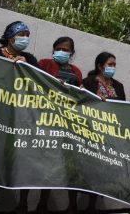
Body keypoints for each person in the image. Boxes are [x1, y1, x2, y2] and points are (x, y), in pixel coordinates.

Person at [0, 21, 37, 214]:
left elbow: (39, 84)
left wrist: (27, 68)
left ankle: (22, 205)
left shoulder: (29, 58)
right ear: (10, 36)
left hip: (21, 118)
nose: (25, 38)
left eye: (28, 35)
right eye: (22, 34)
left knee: (22, 160)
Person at [35, 37, 84, 214]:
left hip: (68, 123)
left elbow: (80, 93)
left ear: (71, 53)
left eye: (66, 49)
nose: (62, 51)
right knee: (45, 163)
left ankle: (72, 206)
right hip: (47, 120)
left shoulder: (76, 71)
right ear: (54, 49)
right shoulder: (44, 63)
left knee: (70, 164)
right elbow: (35, 84)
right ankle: (41, 204)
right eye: (59, 48)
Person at [82, 51, 126, 214]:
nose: (113, 68)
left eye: (114, 65)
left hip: (109, 134)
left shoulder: (118, 86)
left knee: (101, 170)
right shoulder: (88, 82)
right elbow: (81, 102)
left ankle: (92, 206)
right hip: (89, 130)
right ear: (100, 66)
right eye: (110, 64)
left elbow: (123, 108)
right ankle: (75, 205)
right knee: (85, 168)